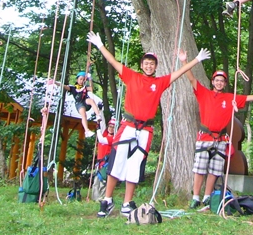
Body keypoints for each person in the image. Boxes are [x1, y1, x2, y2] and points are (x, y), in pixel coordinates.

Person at [86, 31, 211, 219]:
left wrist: (195, 60)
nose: (149, 65)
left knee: (135, 166)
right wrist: (100, 45)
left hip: (146, 129)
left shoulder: (160, 83)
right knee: (117, 163)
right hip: (128, 126)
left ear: (155, 67)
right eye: (146, 62)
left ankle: (127, 202)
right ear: (142, 65)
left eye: (152, 63)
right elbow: (113, 62)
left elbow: (179, 73)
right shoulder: (131, 76)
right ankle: (107, 200)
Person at [181, 62, 253, 211]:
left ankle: (207, 197)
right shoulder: (204, 93)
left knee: (215, 171)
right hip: (205, 137)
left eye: (222, 81)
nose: (219, 82)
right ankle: (195, 197)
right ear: (212, 82)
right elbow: (191, 79)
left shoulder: (230, 98)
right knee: (199, 168)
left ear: (224, 84)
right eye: (217, 80)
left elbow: (248, 98)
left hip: (221, 140)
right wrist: (185, 61)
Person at [62, 71, 103, 138]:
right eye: (80, 79)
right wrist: (55, 82)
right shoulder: (73, 88)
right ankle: (87, 130)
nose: (81, 81)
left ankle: (98, 115)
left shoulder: (85, 88)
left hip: (86, 102)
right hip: (79, 104)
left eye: (83, 80)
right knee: (84, 115)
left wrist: (90, 79)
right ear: (77, 79)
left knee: (91, 101)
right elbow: (64, 86)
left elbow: (91, 88)